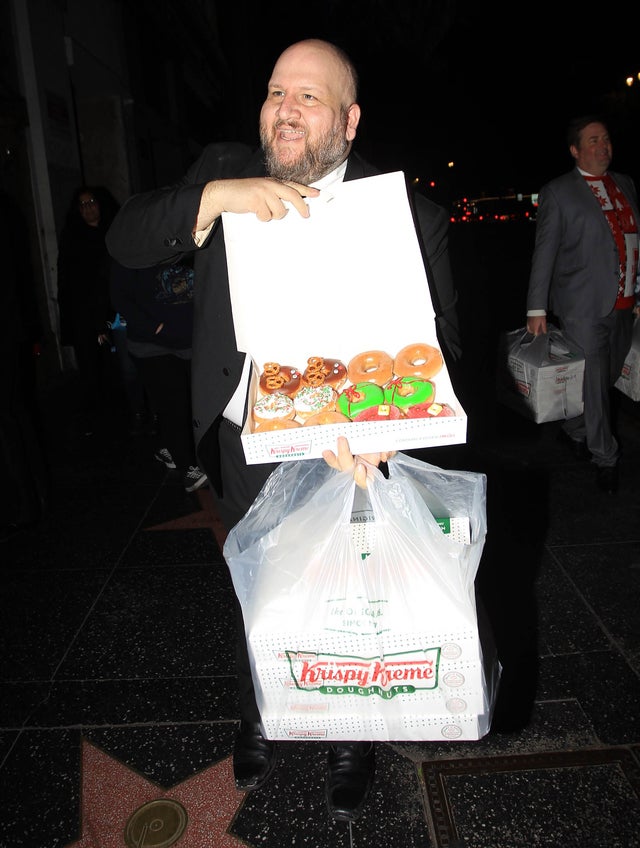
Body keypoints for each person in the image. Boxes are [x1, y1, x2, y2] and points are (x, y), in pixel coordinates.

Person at [107, 38, 461, 822]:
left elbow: (447, 352)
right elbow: (125, 238)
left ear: (348, 119)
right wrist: (215, 200)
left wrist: (392, 430)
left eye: (309, 95)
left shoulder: (405, 212)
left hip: (351, 448)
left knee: (350, 589)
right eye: (275, 91)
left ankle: (348, 737)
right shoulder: (224, 171)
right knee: (256, 583)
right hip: (245, 440)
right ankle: (260, 709)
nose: (285, 108)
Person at [525, 115, 639, 494]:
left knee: (603, 380)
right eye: (593, 140)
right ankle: (605, 457)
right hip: (581, 306)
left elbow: (633, 241)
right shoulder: (558, 192)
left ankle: (573, 428)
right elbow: (546, 251)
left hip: (623, 303)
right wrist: (536, 308)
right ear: (575, 150)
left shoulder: (625, 185)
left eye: (605, 139)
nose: (603, 146)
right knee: (595, 382)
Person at [109, 257, 208, 493]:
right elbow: (120, 296)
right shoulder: (131, 245)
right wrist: (154, 327)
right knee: (173, 402)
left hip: (191, 340)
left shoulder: (189, 239)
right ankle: (187, 468)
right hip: (152, 345)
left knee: (190, 401)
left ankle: (170, 448)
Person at [57, 186, 147, 436]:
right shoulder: (73, 237)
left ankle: (135, 413)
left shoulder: (116, 231)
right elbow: (68, 280)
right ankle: (100, 420)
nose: (88, 208)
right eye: (82, 204)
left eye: (92, 202)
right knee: (92, 369)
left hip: (120, 309)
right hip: (87, 314)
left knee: (127, 367)